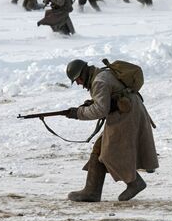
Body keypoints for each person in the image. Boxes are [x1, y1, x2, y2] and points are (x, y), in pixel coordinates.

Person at [64, 59, 158, 202]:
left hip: (126, 116)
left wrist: (78, 113)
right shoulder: (102, 76)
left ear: (83, 74)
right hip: (126, 113)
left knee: (110, 153)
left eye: (78, 79)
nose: (78, 83)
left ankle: (135, 183)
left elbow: (101, 110)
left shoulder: (99, 81)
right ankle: (92, 191)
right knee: (99, 148)